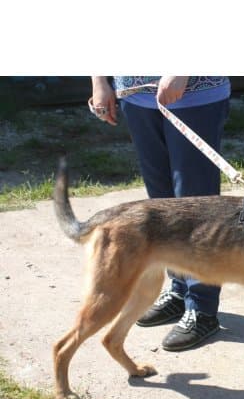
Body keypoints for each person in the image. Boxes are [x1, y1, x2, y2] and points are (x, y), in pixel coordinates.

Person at [90, 75, 231, 351]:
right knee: (162, 207)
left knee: (196, 209)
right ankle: (180, 290)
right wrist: (100, 81)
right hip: (136, 95)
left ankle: (202, 307)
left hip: (194, 94)